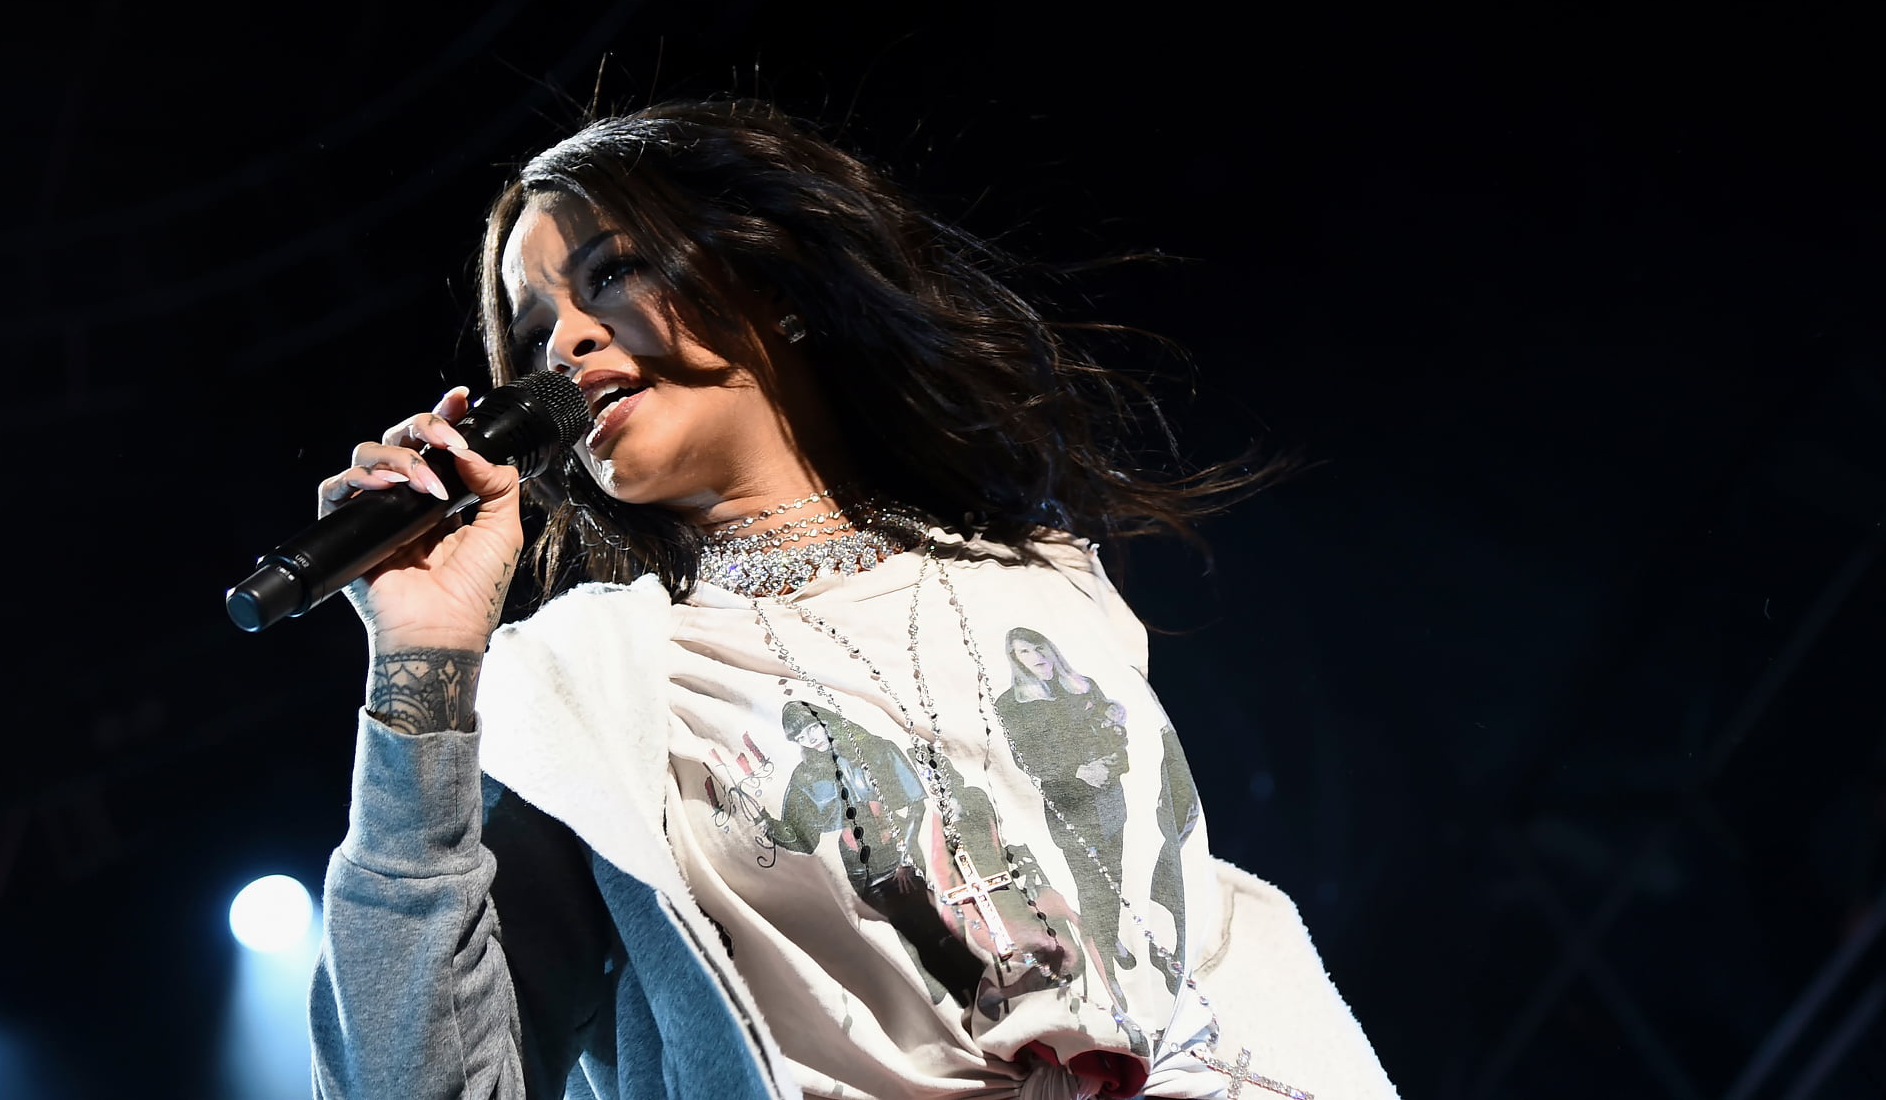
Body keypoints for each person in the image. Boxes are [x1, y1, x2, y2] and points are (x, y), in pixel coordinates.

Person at [305, 100, 1398, 1100]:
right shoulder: (590, 688)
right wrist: (424, 667)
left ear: (773, 289)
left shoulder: (1048, 583)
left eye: (611, 273)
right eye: (534, 325)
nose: (563, 343)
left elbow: (1196, 962)